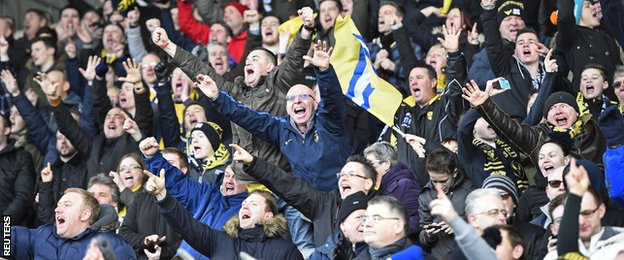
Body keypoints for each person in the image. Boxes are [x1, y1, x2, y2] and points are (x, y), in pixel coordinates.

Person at [195, 40, 350, 192]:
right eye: (291, 99)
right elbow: (246, 116)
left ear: (315, 104)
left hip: (338, 197)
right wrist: (217, 98)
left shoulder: (329, 123)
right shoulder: (282, 129)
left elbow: (331, 100)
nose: (296, 102)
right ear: (287, 109)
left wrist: (324, 72)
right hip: (304, 205)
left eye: (303, 97)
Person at [230, 143, 377, 248]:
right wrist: (253, 163)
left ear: (368, 183)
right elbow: (287, 184)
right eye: (342, 175)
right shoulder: (323, 203)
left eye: (351, 175)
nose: (344, 178)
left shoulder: (381, 210)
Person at [142, 169, 303, 259]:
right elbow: (186, 225)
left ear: (268, 216)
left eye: (253, 204)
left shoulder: (286, 251)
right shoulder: (220, 240)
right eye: (244, 204)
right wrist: (162, 196)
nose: (245, 207)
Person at [141, 137, 249, 260]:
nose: (229, 181)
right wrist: (153, 157)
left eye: (236, 177)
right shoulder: (208, 193)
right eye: (227, 175)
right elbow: (178, 183)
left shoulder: (249, 209)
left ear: (247, 182)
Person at [462, 80, 607, 169]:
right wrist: (486, 105)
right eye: (551, 108)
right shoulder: (539, 135)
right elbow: (509, 128)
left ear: (577, 113)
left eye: (564, 106)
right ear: (546, 118)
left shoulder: (594, 129)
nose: (557, 111)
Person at [10, 188, 136, 259]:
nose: (57, 209)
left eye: (67, 205)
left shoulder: (114, 245)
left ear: (85, 214)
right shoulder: (43, 233)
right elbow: (7, 237)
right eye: (58, 205)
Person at [544, 160, 624, 259]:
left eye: (587, 213)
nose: (581, 221)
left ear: (601, 210)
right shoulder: (553, 255)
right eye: (574, 214)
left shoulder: (620, 247)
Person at [418, 148, 473, 258]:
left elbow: (485, 225)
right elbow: (422, 234)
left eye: (443, 181)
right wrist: (429, 235)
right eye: (434, 181)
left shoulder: (470, 190)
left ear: (455, 173)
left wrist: (459, 225)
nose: (438, 186)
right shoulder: (425, 195)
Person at [363, 141, 420, 236]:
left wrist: (390, 228)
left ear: (386, 164)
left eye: (370, 164)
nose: (367, 168)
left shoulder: (405, 184)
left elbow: (418, 220)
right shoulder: (378, 186)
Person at [357, 196, 424, 259]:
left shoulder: (419, 257)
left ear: (398, 226)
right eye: (365, 219)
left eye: (376, 218)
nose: (366, 224)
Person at [309, 191, 369, 259]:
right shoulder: (321, 254)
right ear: (343, 225)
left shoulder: (378, 251)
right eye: (359, 217)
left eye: (367, 218)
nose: (365, 223)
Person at [0, 112, 35, 227]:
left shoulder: (21, 156)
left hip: (10, 227)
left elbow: (23, 197)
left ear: (6, 130)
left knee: (7, 245)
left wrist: (4, 224)